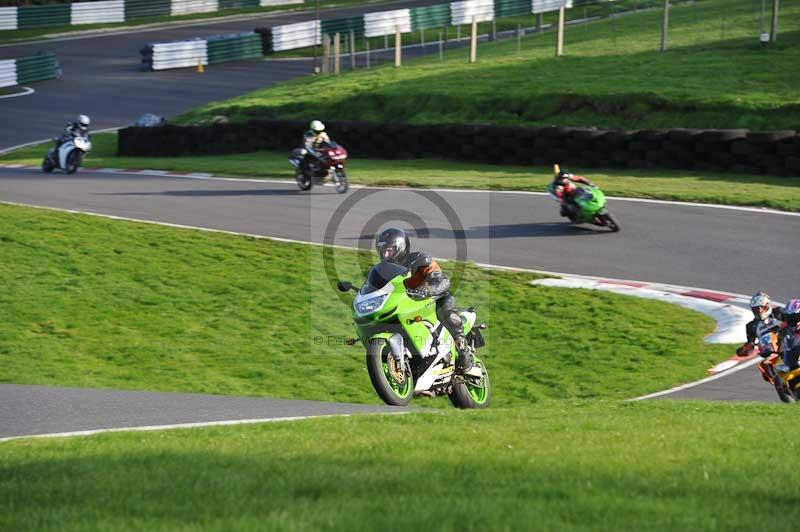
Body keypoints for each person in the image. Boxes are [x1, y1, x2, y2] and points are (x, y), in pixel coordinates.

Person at [375, 227, 475, 374]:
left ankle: (463, 349)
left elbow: (442, 280)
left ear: (400, 247)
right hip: (406, 305)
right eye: (382, 251)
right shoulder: (383, 271)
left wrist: (429, 289)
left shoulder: (419, 259)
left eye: (388, 250)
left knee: (446, 313)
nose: (385, 254)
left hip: (433, 298)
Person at [737, 291, 785, 357]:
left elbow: (793, 320)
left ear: (767, 305)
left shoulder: (779, 312)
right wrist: (746, 349)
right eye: (756, 309)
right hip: (769, 353)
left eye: (762, 307)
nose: (759, 311)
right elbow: (750, 344)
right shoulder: (751, 326)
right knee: (763, 365)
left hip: (789, 343)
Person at [776, 299, 800, 373]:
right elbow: (779, 344)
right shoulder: (785, 329)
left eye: (795, 317)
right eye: (789, 317)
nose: (792, 320)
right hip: (792, 362)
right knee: (779, 372)